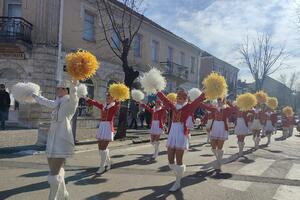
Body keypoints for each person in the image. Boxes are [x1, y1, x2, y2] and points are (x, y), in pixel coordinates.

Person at [32, 80, 79, 199]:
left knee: (53, 174)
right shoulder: (56, 102)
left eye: (59, 88)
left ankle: (52, 198)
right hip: (52, 139)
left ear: (65, 90)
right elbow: (46, 102)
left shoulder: (70, 102)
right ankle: (64, 194)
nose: (56, 90)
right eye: (57, 88)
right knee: (55, 170)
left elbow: (74, 96)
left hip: (62, 139)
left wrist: (74, 84)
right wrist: (33, 95)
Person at [157, 90, 205, 192]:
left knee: (179, 161)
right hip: (172, 133)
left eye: (180, 98)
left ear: (185, 99)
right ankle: (179, 173)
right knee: (170, 161)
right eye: (177, 97)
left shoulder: (189, 107)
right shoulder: (174, 106)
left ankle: (177, 182)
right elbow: (165, 100)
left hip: (181, 133)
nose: (178, 99)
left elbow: (197, 101)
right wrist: (158, 91)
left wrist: (204, 93)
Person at [85, 93, 120, 174]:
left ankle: (102, 167)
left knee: (103, 148)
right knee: (100, 149)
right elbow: (95, 103)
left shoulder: (114, 106)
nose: (107, 98)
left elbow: (117, 105)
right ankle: (109, 162)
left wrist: (118, 99)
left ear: (113, 99)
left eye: (110, 98)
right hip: (102, 126)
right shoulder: (103, 106)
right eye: (107, 97)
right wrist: (87, 99)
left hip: (108, 127)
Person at [201, 98, 235, 173]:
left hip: (222, 127)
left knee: (219, 146)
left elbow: (233, 109)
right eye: (218, 102)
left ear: (223, 102)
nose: (219, 103)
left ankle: (219, 161)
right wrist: (199, 101)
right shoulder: (214, 108)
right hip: (215, 126)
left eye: (221, 102)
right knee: (213, 146)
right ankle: (218, 158)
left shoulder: (227, 109)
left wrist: (228, 102)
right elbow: (205, 107)